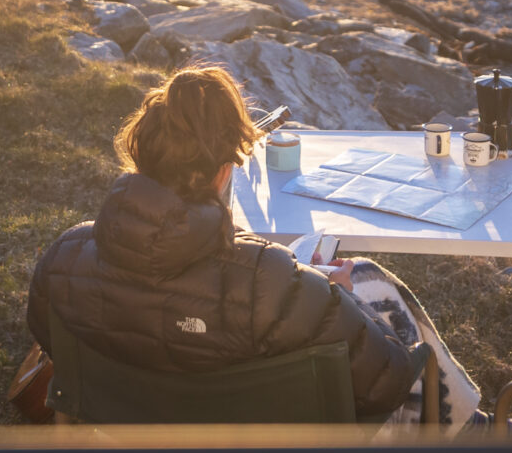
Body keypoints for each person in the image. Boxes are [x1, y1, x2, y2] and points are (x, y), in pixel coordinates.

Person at [28, 65, 461, 423]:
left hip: (126, 451)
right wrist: (348, 301)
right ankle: (473, 432)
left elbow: (55, 347)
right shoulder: (273, 285)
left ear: (141, 155)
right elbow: (385, 382)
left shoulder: (63, 259)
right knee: (373, 287)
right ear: (221, 173)